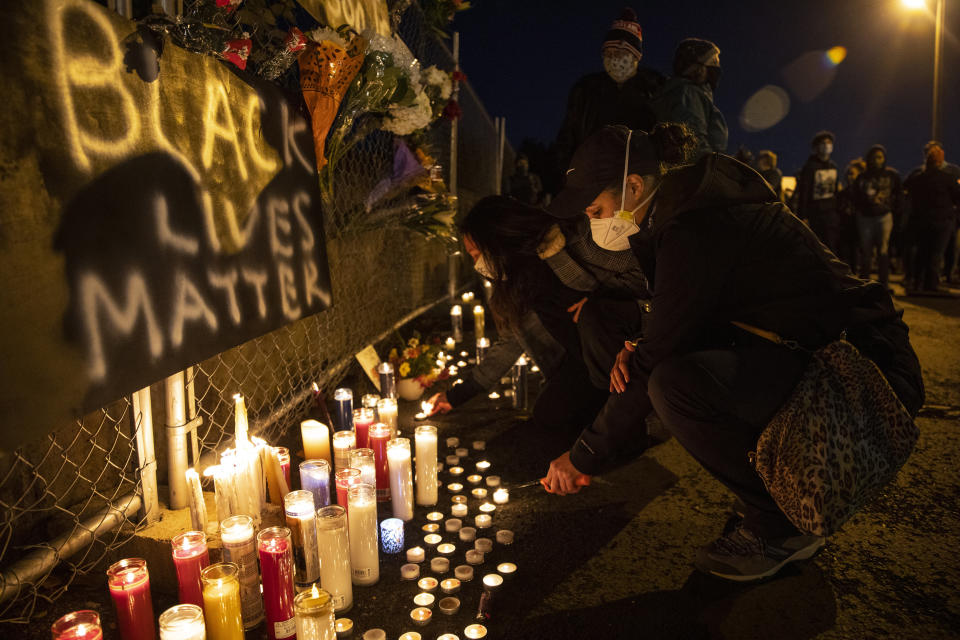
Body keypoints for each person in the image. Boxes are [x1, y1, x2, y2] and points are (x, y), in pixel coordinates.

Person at [541, 126, 924, 582]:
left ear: (634, 186)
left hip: (862, 369)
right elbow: (686, 317)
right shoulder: (686, 211)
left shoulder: (693, 227)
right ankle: (776, 494)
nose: (593, 222)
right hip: (821, 349)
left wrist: (582, 456)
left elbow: (655, 361)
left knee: (674, 385)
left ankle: (779, 527)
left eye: (595, 210)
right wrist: (644, 342)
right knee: (671, 366)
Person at [554, 8, 664, 171]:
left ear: (635, 56)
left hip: (638, 178)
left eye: (620, 52)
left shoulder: (655, 89)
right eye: (608, 52)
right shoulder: (586, 89)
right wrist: (568, 174)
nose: (613, 58)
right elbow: (568, 138)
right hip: (592, 176)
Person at [651, 38, 727, 158]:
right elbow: (693, 140)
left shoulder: (692, 93)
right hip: (695, 171)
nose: (717, 67)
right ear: (697, 67)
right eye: (713, 62)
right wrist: (713, 167)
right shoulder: (688, 93)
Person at [903, 142, 960, 292]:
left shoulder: (918, 177)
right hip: (942, 221)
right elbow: (957, 196)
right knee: (936, 253)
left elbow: (906, 191)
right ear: (940, 161)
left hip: (922, 220)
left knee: (923, 252)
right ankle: (932, 284)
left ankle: (917, 282)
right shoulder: (948, 177)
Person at [850, 144, 903, 290]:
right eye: (874, 157)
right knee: (866, 251)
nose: (877, 160)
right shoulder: (862, 177)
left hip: (884, 216)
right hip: (865, 217)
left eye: (879, 157)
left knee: (883, 251)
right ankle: (865, 283)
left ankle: (883, 283)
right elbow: (854, 196)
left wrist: (894, 209)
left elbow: (898, 195)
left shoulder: (891, 176)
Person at [795, 131, 840, 253]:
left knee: (831, 246)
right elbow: (804, 192)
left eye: (829, 143)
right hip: (815, 213)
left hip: (830, 214)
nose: (827, 145)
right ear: (816, 147)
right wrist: (803, 215)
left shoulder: (833, 166)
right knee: (817, 246)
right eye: (823, 143)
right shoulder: (810, 167)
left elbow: (835, 191)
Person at [837, 158, 867, 273]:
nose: (850, 177)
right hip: (845, 227)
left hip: (858, 228)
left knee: (856, 254)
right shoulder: (842, 194)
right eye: (848, 174)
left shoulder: (862, 194)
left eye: (852, 174)